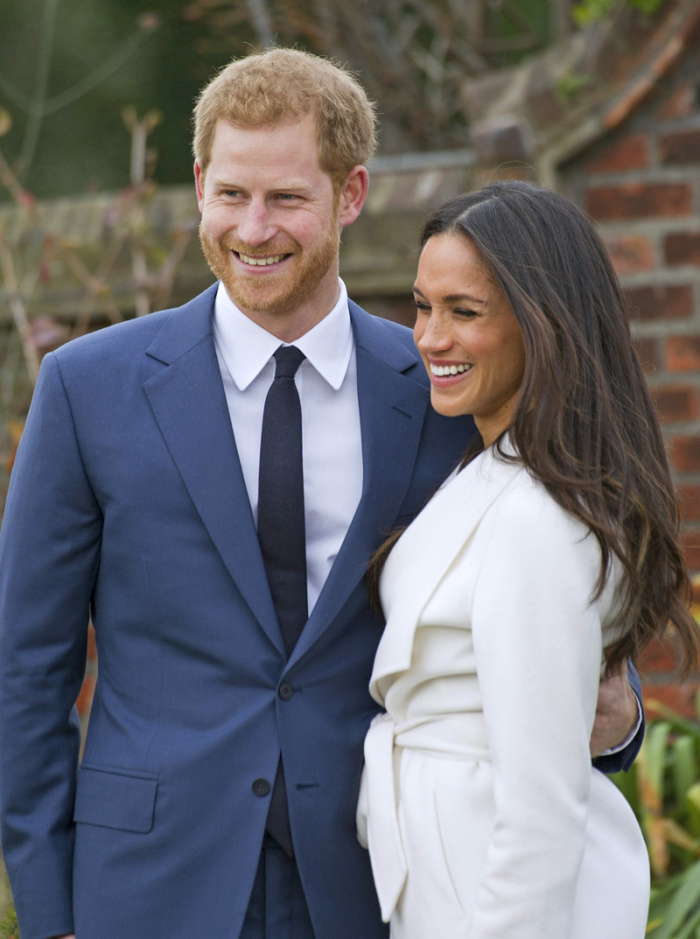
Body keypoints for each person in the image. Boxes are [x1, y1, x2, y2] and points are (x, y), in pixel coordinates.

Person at [0, 52, 642, 939]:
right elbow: (28, 668)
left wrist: (614, 709)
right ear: (196, 185)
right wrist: (50, 908)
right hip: (146, 883)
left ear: (351, 194)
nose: (253, 228)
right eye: (230, 194)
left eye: (287, 198)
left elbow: (533, 554)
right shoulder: (86, 388)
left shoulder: (437, 388)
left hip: (374, 876)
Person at [357, 181, 699, 938]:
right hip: (451, 877)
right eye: (422, 305)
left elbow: (540, 808)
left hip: (500, 894)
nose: (429, 337)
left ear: (542, 323)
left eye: (464, 311)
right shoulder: (490, 474)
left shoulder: (540, 519)